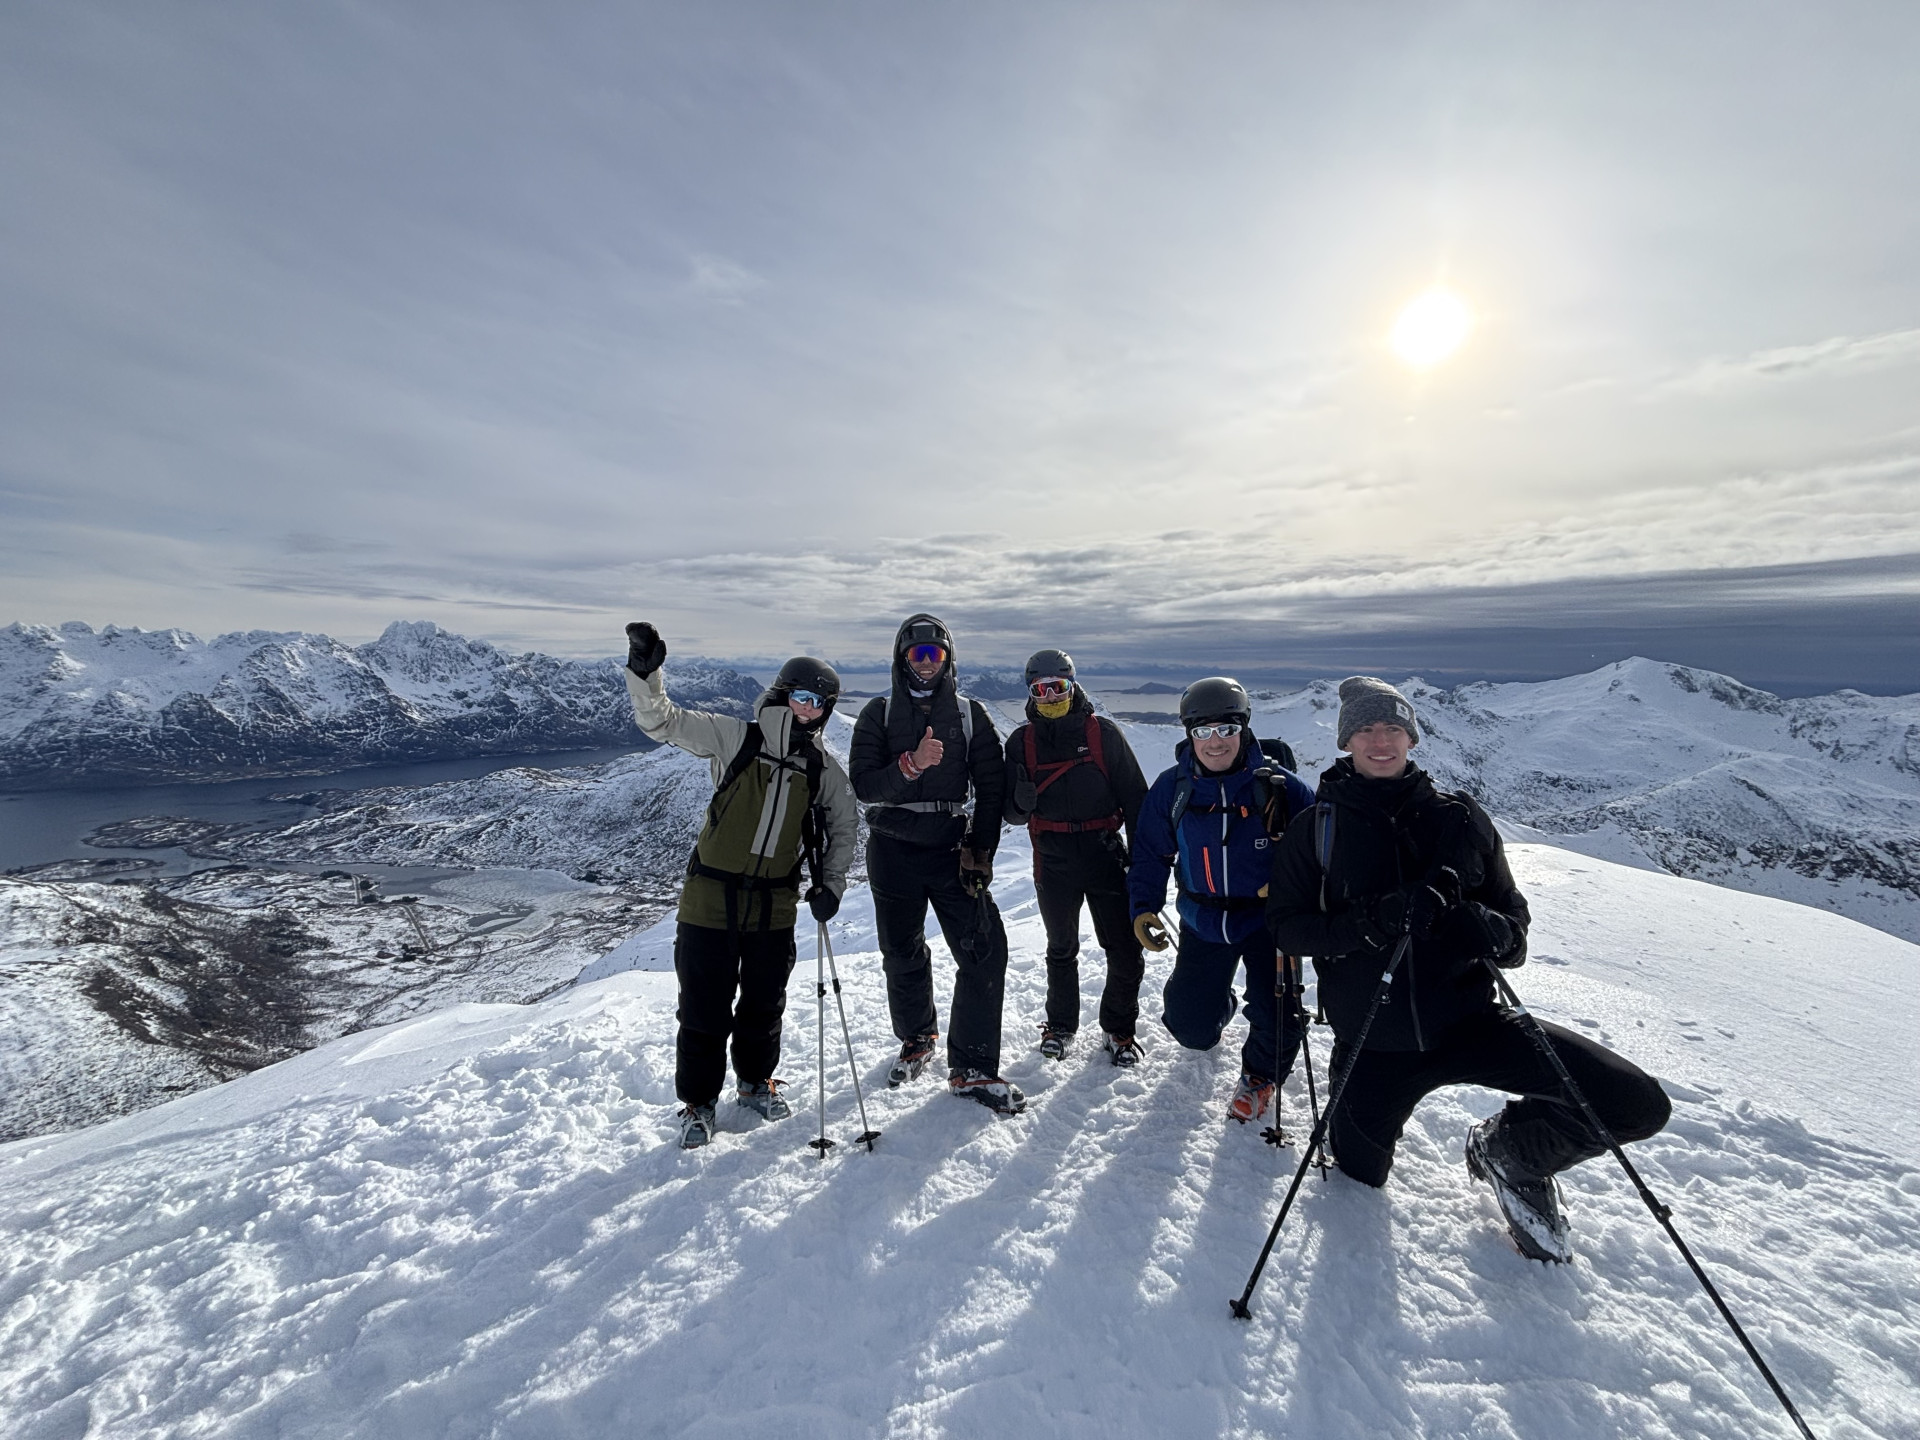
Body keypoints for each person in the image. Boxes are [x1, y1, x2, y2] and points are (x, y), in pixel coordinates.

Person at [1267, 675, 1672, 1262]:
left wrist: (1491, 929)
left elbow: (1515, 929)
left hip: (1471, 1022)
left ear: (1411, 739)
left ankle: (1511, 1152)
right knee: (1357, 1177)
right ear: (1345, 742)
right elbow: (1286, 928)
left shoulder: (1460, 821)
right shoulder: (1316, 830)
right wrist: (1372, 921)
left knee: (1635, 1103)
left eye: (1393, 728)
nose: (1380, 741)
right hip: (1373, 1042)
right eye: (1366, 730)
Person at [624, 621, 858, 1150]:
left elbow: (845, 825)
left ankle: (755, 1083)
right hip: (710, 898)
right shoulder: (737, 738)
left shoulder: (821, 768)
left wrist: (832, 886)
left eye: (819, 704)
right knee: (703, 1007)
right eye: (800, 698)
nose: (808, 711)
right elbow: (663, 721)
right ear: (781, 694)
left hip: (775, 903)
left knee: (764, 1004)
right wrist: (646, 674)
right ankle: (698, 1104)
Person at [848, 614, 1019, 1114]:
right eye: (917, 654)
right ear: (902, 659)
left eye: (935, 654)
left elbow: (991, 787)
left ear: (948, 660)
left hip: (950, 847)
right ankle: (917, 1037)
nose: (926, 663)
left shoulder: (969, 715)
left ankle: (972, 1067)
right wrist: (911, 765)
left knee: (984, 949)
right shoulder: (878, 713)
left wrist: (981, 849)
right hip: (892, 847)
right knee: (901, 951)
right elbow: (865, 786)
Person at [1128, 677, 1315, 1123]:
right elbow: (1150, 853)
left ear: (1243, 729)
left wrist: (1292, 891)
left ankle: (1259, 1076)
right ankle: (1220, 1004)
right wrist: (1143, 907)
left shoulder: (1283, 788)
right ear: (1189, 734)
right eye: (1203, 731)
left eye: (1226, 729)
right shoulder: (1173, 789)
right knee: (1191, 1028)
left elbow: (1316, 855)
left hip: (1269, 922)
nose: (1215, 742)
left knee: (1280, 1012)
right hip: (1203, 918)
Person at [1002, 648, 1150, 1065]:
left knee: (1123, 946)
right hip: (1053, 858)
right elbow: (1010, 814)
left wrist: (1142, 862)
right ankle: (1060, 1026)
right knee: (1061, 947)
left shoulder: (1103, 735)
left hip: (1105, 852)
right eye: (1040, 689)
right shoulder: (1021, 743)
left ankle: (1118, 1028)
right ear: (1030, 693)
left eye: (1058, 687)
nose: (1050, 696)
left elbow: (1136, 800)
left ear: (1073, 685)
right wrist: (1020, 803)